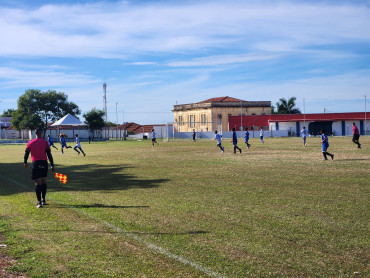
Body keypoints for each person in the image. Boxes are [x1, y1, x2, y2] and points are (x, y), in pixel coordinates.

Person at [24, 128, 55, 208]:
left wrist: (25, 162)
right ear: (41, 133)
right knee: (44, 181)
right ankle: (43, 199)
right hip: (44, 163)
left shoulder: (31, 142)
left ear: (35, 133)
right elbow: (49, 154)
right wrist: (52, 165)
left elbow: (26, 153)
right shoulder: (45, 143)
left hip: (36, 163)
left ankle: (39, 202)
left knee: (38, 182)